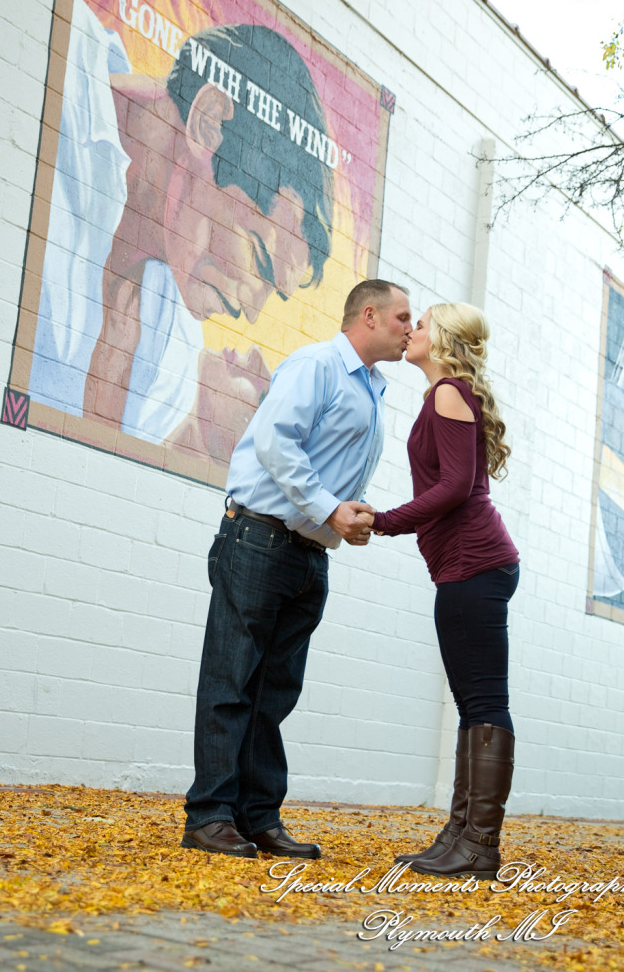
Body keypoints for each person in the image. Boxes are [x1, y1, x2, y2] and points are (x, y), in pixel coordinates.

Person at [29, 0, 333, 464]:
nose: (251, 311)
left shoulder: (176, 340)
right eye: (259, 255)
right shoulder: (46, 57)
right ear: (208, 123)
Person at [181, 279, 412, 859]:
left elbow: (329, 465)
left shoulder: (373, 387)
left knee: (274, 694)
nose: (411, 329)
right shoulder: (316, 366)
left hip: (308, 555)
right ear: (369, 315)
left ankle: (257, 817)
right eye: (403, 318)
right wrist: (331, 509)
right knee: (232, 682)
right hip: (258, 540)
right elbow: (276, 445)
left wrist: (350, 515)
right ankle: (209, 816)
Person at [361, 302, 519, 880]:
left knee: (485, 703)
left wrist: (384, 521)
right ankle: (460, 835)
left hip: (473, 564)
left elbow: (454, 487)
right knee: (473, 704)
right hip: (467, 565)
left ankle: (480, 845)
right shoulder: (446, 393)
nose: (412, 331)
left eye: (422, 324)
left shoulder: (448, 392)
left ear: (445, 339)